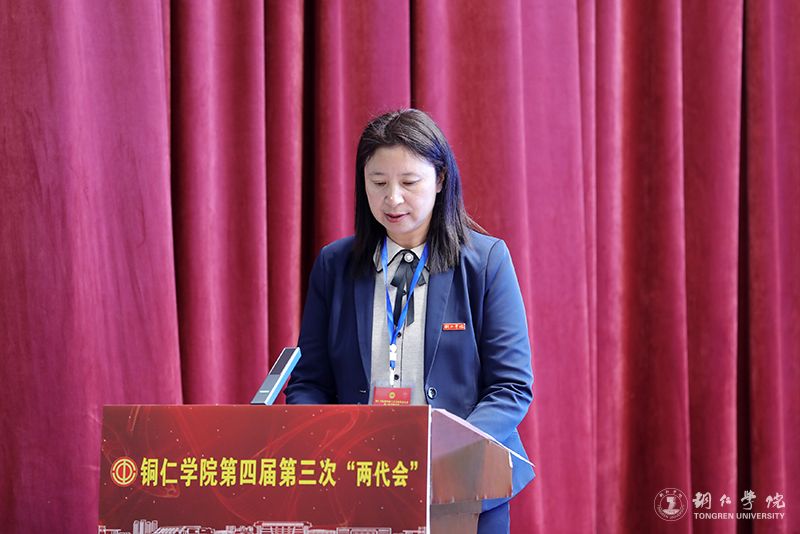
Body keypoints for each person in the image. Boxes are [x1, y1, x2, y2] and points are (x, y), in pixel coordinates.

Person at [285, 109, 533, 533]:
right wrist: (332, 445)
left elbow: (511, 386)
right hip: (361, 484)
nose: (393, 199)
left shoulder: (486, 262)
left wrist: (445, 453)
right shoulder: (334, 265)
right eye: (378, 183)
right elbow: (310, 382)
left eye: (409, 182)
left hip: (462, 484)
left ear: (439, 180)